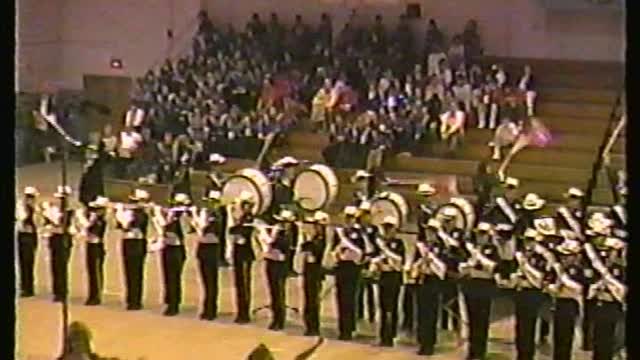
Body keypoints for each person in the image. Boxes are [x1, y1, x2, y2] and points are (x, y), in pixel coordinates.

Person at [459, 222, 499, 360]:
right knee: (472, 320)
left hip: (485, 287)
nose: (480, 236)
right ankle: (472, 350)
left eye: (483, 234)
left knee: (482, 321)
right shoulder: (471, 249)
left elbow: (492, 268)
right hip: (471, 286)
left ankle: (480, 351)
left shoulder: (492, 250)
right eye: (479, 233)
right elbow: (463, 267)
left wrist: (477, 256)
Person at [402, 183, 438, 333]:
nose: (425, 199)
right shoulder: (421, 211)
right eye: (423, 196)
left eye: (427, 196)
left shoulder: (436, 212)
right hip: (420, 246)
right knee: (411, 285)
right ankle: (408, 320)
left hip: (432, 247)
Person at [584, 235, 626, 360]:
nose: (609, 254)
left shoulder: (621, 267)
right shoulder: (601, 267)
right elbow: (590, 289)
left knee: (612, 343)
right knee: (598, 341)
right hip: (599, 305)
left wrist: (612, 285)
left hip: (615, 306)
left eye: (612, 250)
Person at [542, 235, 584, 360]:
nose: (564, 258)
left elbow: (579, 289)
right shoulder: (556, 268)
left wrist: (564, 280)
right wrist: (554, 287)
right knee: (557, 337)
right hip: (557, 303)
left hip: (571, 304)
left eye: (568, 255)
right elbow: (547, 284)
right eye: (562, 255)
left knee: (567, 338)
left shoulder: (577, 270)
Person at [370, 216, 405, 347]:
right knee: (383, 307)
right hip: (383, 277)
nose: (388, 230)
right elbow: (374, 259)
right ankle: (383, 335)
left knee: (393, 308)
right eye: (385, 228)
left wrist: (385, 252)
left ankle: (392, 335)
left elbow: (399, 261)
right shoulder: (380, 243)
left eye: (390, 228)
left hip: (394, 278)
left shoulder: (399, 243)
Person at [414, 218, 447, 355]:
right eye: (428, 230)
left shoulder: (441, 247)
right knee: (421, 313)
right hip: (423, 280)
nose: (429, 233)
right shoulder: (421, 247)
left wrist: (431, 258)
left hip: (434, 281)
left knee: (431, 314)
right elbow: (415, 262)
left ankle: (430, 344)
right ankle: (421, 342)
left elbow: (443, 268)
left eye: (432, 230)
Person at [153, 193, 190, 316]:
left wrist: (173, 216)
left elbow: (185, 229)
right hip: (167, 247)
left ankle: (175, 304)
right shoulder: (171, 214)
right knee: (167, 276)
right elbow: (162, 228)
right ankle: (169, 300)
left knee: (175, 277)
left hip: (177, 249)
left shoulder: (184, 217)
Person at [114, 188, 150, 310]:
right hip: (127, 242)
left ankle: (136, 300)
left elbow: (126, 225)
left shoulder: (142, 214)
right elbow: (119, 226)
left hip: (137, 244)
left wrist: (120, 213)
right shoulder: (129, 212)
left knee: (136, 273)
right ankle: (130, 298)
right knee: (128, 271)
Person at [192, 190, 226, 320]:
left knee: (211, 281)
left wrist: (197, 217)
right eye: (209, 202)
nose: (210, 204)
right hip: (203, 249)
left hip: (212, 249)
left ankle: (211, 309)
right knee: (205, 280)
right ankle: (207, 307)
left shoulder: (217, 216)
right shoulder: (206, 214)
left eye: (213, 202)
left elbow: (204, 231)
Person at [333, 206, 366, 341]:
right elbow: (334, 249)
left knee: (350, 299)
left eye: (351, 217)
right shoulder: (339, 232)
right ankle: (342, 328)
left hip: (353, 268)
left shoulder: (358, 233)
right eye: (347, 217)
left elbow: (362, 251)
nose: (349, 220)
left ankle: (349, 328)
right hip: (341, 266)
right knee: (340, 298)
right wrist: (338, 253)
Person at [262, 209, 296, 330]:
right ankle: (275, 318)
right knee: (273, 292)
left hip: (280, 267)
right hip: (271, 264)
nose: (281, 224)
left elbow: (277, 246)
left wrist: (270, 237)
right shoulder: (278, 232)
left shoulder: (287, 235)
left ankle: (280, 320)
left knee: (279, 293)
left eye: (284, 222)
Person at [228, 191, 257, 324]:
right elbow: (231, 230)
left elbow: (237, 232)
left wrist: (233, 215)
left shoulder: (249, 218)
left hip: (245, 254)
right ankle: (241, 311)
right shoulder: (241, 218)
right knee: (239, 284)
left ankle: (244, 313)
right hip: (238, 253)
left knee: (244, 284)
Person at [41, 186, 74, 302]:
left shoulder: (69, 211)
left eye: (64, 198)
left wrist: (53, 220)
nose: (62, 201)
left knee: (62, 266)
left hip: (63, 239)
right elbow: (47, 223)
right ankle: (56, 291)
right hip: (54, 238)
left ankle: (63, 292)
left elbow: (64, 225)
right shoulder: (54, 210)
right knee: (54, 265)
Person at [300, 211, 329, 336]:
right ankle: (309, 325)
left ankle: (313, 327)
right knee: (308, 299)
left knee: (313, 301)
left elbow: (316, 252)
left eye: (316, 225)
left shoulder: (322, 239)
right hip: (308, 271)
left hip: (315, 272)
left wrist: (308, 242)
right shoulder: (313, 239)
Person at [80, 196, 109, 305]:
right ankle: (92, 294)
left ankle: (96, 296)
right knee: (91, 271)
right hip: (90, 245)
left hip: (97, 246)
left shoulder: (101, 221)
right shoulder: (96, 219)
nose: (95, 212)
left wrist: (91, 220)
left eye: (98, 209)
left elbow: (94, 230)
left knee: (96, 271)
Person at [356, 201, 378, 324]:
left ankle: (371, 315)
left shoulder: (374, 230)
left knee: (370, 290)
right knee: (359, 290)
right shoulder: (357, 230)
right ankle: (358, 314)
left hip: (370, 262)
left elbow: (376, 246)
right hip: (359, 261)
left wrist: (372, 261)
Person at [16, 186, 39, 297]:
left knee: (30, 261)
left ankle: (29, 287)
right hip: (23, 234)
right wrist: (28, 209)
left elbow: (38, 222)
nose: (30, 199)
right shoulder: (21, 207)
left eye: (32, 197)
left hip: (32, 235)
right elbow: (21, 218)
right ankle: (24, 286)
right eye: (28, 197)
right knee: (23, 261)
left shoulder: (37, 208)